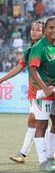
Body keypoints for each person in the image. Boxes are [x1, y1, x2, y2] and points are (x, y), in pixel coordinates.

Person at [1, 21, 45, 163]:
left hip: (44, 92)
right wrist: (3, 79)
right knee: (36, 121)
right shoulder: (29, 50)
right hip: (34, 92)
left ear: (44, 33)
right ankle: (28, 154)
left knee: (38, 121)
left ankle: (31, 154)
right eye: (32, 29)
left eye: (38, 30)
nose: (34, 32)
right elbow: (19, 67)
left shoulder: (45, 47)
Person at [29, 17, 55, 172]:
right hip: (40, 92)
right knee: (42, 125)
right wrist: (44, 88)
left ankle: (51, 156)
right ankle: (43, 161)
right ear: (45, 30)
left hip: (54, 90)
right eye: (50, 28)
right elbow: (33, 69)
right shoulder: (39, 47)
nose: (54, 31)